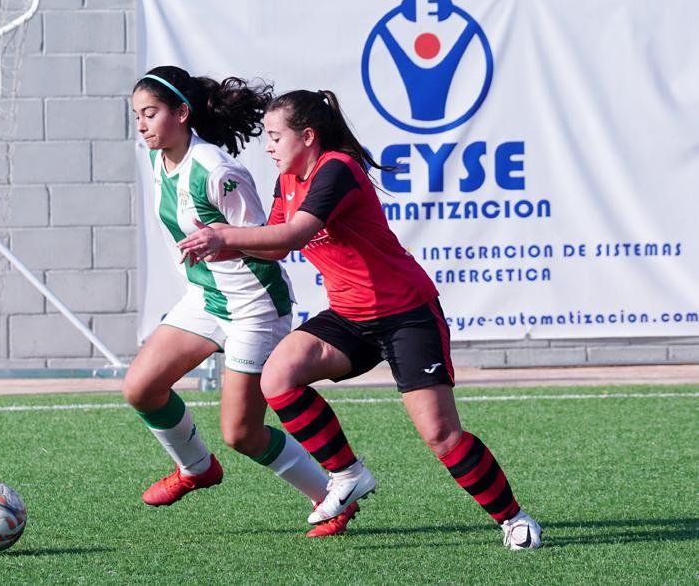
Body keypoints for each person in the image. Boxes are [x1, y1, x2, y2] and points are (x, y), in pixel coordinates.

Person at [177, 88, 543, 550]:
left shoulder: (337, 168)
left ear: (307, 136)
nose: (267, 146)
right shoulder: (288, 178)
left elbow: (298, 231)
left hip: (406, 314)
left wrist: (224, 234)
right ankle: (348, 474)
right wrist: (223, 245)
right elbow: (276, 244)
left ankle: (513, 518)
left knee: (441, 435)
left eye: (274, 136)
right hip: (350, 316)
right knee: (279, 376)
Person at [127, 67, 359, 538]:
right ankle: (196, 467)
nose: (142, 125)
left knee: (242, 434)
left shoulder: (217, 171)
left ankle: (331, 501)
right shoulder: (159, 159)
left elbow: (273, 246)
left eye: (150, 114)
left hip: (253, 306)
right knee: (141, 388)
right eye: (137, 116)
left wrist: (223, 241)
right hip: (208, 299)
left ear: (182, 113)